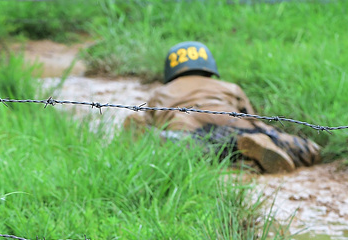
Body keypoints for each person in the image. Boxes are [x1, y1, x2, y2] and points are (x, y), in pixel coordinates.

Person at [125, 41, 322, 174]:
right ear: (209, 67)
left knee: (191, 147)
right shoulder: (229, 87)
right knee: (297, 145)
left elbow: (155, 119)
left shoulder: (160, 92)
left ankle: (159, 140)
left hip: (186, 127)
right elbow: (252, 117)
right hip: (230, 120)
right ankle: (259, 146)